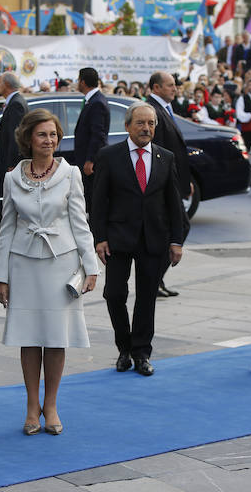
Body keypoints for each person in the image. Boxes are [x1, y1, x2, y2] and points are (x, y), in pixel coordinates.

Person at [0, 109, 98, 435]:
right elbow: (6, 228)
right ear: (28, 138)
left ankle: (50, 405)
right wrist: (1, 275)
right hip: (23, 265)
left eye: (53, 134)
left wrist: (90, 265)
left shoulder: (71, 174)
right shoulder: (12, 177)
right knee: (28, 337)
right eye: (42, 134)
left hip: (61, 264)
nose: (49, 140)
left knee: (55, 338)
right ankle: (31, 406)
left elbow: (80, 222)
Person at [91, 102, 185, 377]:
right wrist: (100, 238)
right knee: (115, 294)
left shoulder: (165, 157)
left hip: (154, 238)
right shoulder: (109, 156)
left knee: (147, 297)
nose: (147, 128)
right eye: (141, 123)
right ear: (127, 125)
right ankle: (124, 347)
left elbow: (173, 202)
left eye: (151, 123)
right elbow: (98, 201)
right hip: (119, 238)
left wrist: (176, 240)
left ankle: (142, 352)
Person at [145, 71, 192, 298]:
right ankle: (153, 279)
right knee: (179, 228)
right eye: (170, 85)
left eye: (175, 85)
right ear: (156, 88)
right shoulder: (153, 110)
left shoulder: (165, 109)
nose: (175, 89)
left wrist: (186, 181)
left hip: (173, 182)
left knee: (175, 230)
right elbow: (159, 152)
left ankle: (156, 279)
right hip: (164, 184)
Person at [73, 67, 109, 209]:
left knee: (93, 200)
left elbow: (97, 134)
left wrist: (90, 160)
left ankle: (96, 230)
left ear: (82, 82)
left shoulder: (97, 102)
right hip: (86, 158)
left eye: (78, 80)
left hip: (92, 162)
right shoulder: (92, 100)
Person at [0, 71, 28, 202]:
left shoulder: (16, 104)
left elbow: (15, 136)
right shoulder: (14, 101)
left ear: (7, 84)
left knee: (13, 199)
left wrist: (12, 163)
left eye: (0, 81)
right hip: (11, 163)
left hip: (13, 164)